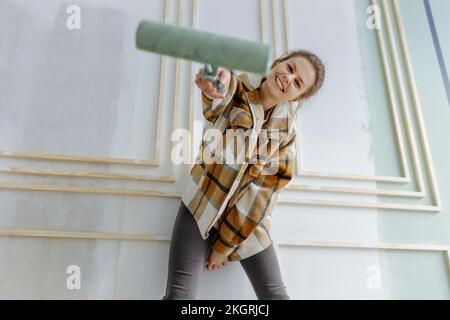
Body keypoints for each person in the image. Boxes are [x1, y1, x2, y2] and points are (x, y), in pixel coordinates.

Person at [162, 49, 325, 300]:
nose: (288, 78)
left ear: (296, 98)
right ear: (278, 63)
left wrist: (224, 246)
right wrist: (214, 81)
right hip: (201, 205)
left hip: (246, 221)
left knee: (276, 296)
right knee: (179, 297)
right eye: (290, 68)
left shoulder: (286, 134)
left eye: (298, 82)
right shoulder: (237, 88)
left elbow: (263, 192)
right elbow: (217, 98)